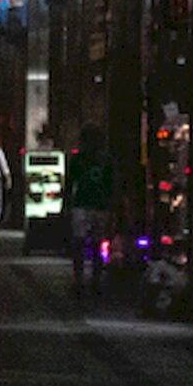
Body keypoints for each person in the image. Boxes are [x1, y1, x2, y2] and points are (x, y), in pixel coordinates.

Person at [67, 123, 114, 297]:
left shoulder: (79, 158)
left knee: (79, 243)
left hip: (82, 203)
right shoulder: (106, 159)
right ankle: (95, 280)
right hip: (100, 205)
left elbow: (71, 182)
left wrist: (66, 204)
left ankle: (80, 280)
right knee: (96, 244)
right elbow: (111, 184)